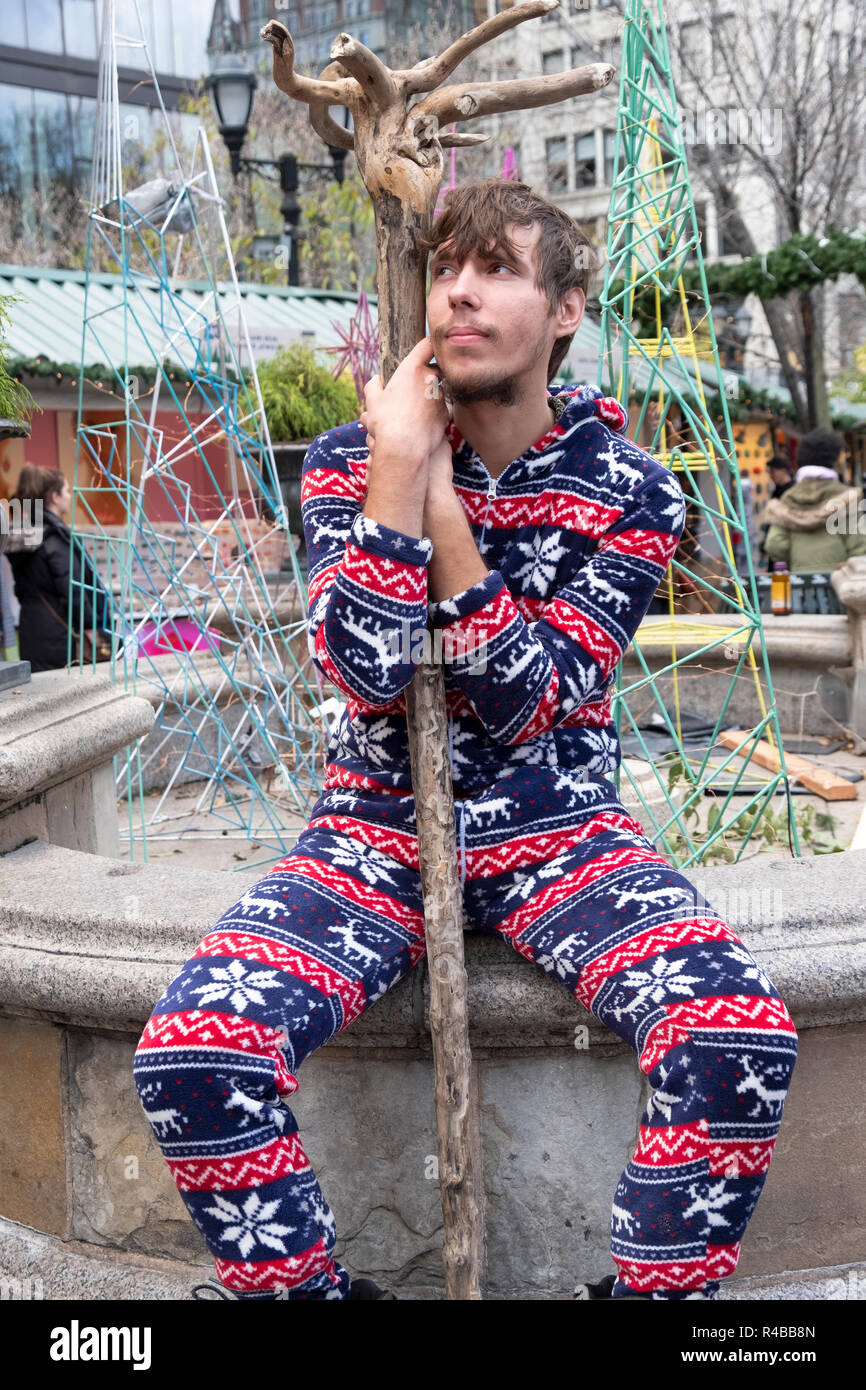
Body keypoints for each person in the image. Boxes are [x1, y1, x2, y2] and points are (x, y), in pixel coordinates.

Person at [134, 179, 798, 1302]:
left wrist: (441, 518)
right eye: (446, 270)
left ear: (566, 305)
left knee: (738, 1039)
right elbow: (359, 668)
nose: (461, 295)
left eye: (496, 270)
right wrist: (396, 475)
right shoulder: (347, 462)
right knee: (193, 1054)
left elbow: (527, 701)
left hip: (563, 836)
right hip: (373, 834)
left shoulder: (632, 493)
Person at [5, 464, 112, 671]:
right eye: (67, 490)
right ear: (54, 497)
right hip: (61, 638)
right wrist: (93, 627)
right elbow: (74, 591)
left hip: (32, 630)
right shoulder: (55, 539)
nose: (70, 496)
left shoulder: (25, 537)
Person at [763, 429, 866, 610]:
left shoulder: (788, 499)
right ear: (833, 459)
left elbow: (774, 545)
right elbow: (859, 548)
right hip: (840, 592)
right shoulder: (845, 498)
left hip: (800, 592)